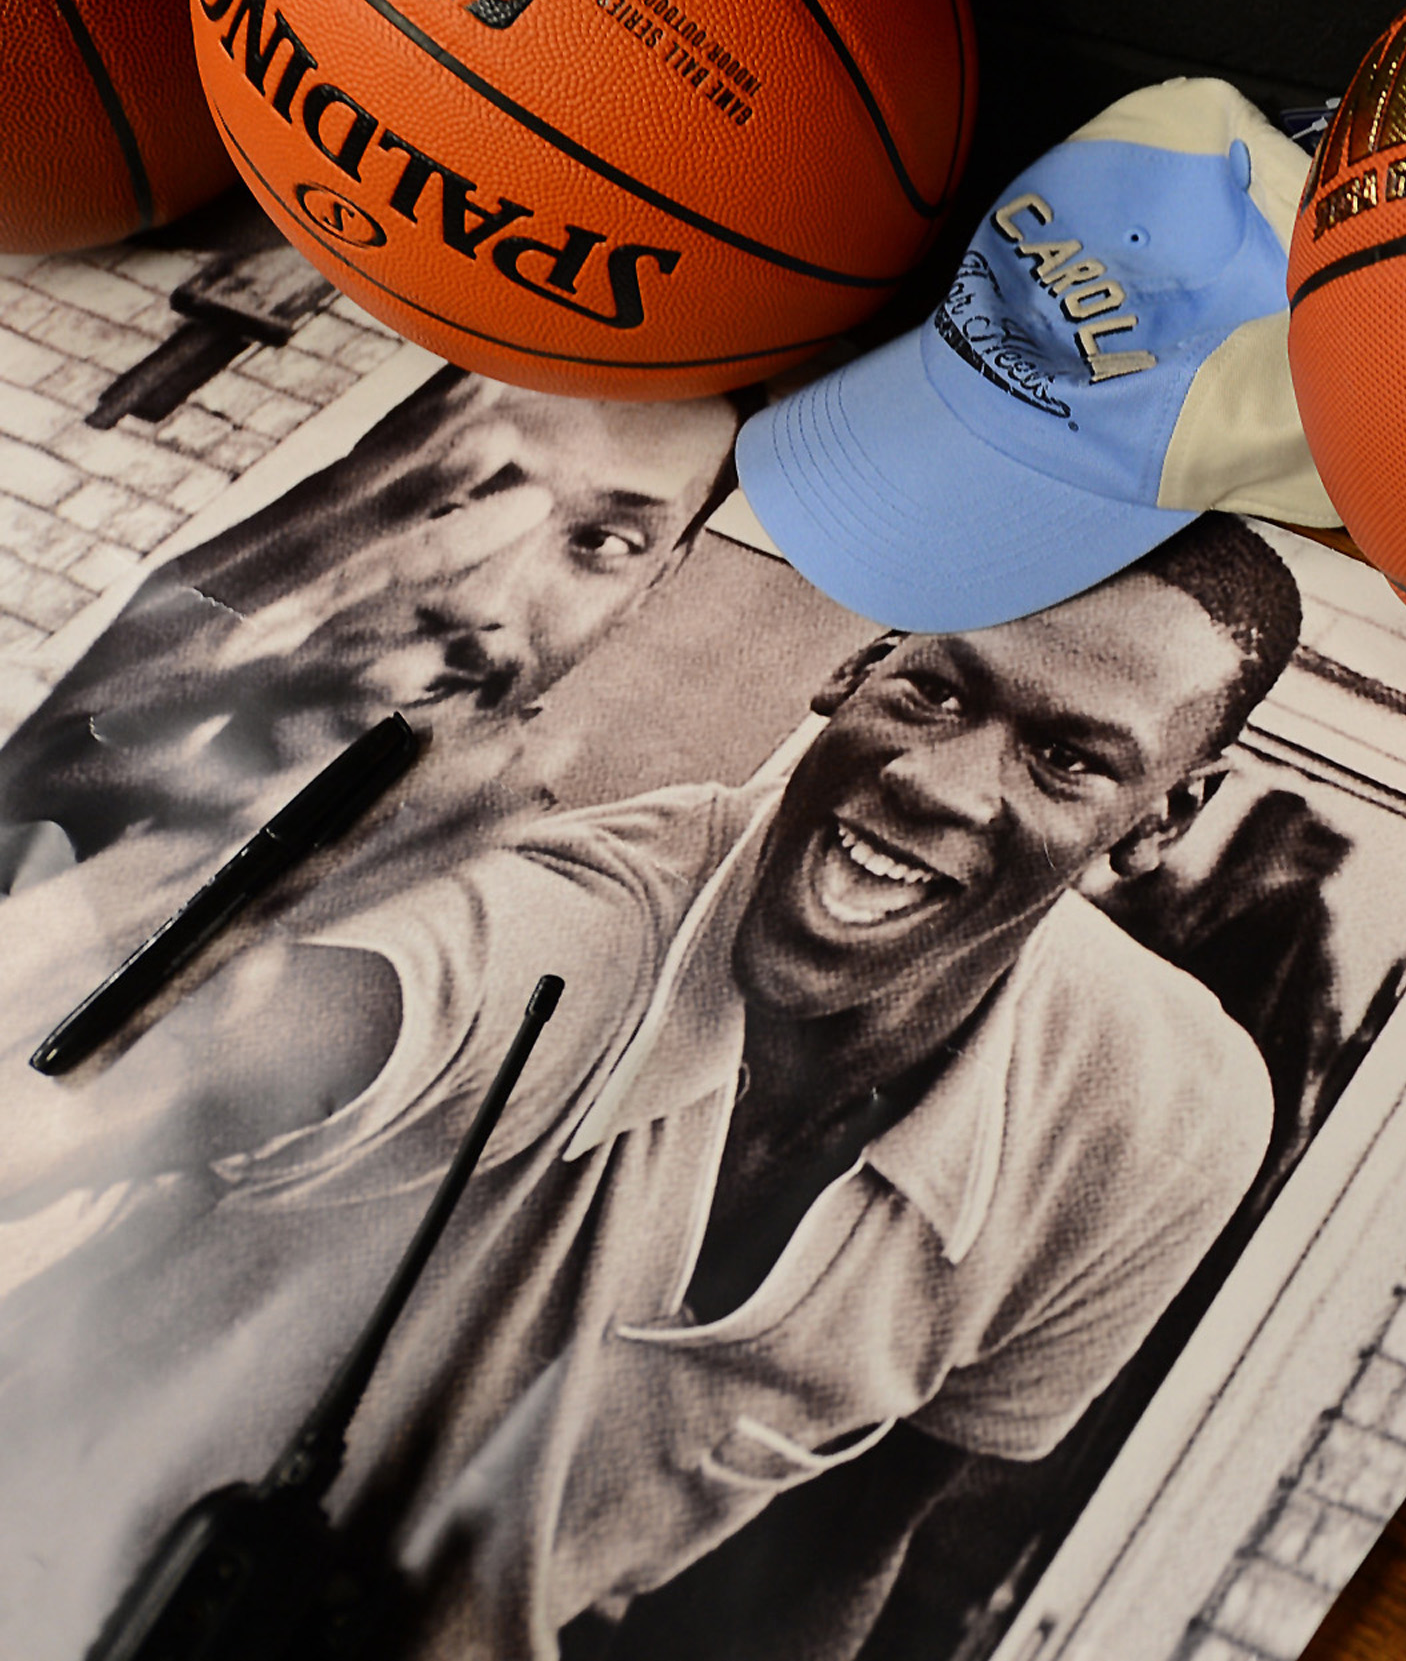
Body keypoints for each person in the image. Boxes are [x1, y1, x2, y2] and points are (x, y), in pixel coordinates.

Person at [0, 514, 1299, 1661]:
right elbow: (191, 1071)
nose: (934, 779)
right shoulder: (573, 918)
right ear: (855, 668)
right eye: (938, 692)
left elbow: (831, 1550)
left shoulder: (1166, 1123)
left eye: (1068, 760)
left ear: (1164, 818)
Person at [0, 368, 742, 903]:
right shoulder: (46, 709)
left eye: (604, 542)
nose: (481, 596)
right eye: (458, 499)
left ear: (660, 581)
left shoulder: (525, 907)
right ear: (375, 480)